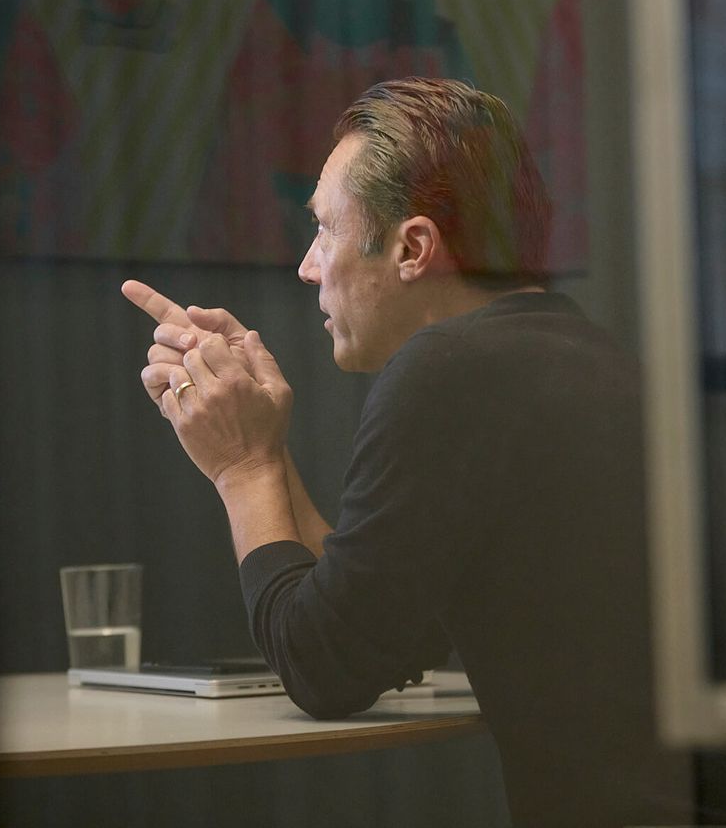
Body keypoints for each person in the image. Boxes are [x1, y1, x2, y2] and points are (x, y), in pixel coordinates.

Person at [122, 78, 689, 827]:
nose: (306, 265)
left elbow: (325, 665)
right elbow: (379, 623)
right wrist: (262, 439)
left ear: (412, 247)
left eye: (324, 230)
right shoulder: (570, 349)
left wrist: (242, 467)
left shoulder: (450, 370)